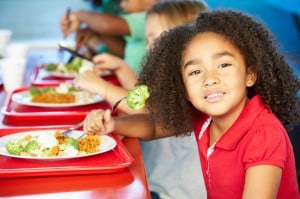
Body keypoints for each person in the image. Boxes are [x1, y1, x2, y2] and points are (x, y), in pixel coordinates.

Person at [82, 10, 300, 198]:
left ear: (250, 75)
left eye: (223, 65)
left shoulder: (263, 135)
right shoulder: (205, 118)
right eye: (195, 71)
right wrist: (114, 125)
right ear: (184, 89)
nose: (209, 78)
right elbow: (154, 126)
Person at [61, 0, 158, 73]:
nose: (122, 5)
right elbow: (123, 50)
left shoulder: (151, 18)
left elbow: (106, 25)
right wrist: (96, 31)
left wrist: (80, 14)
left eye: (126, 0)